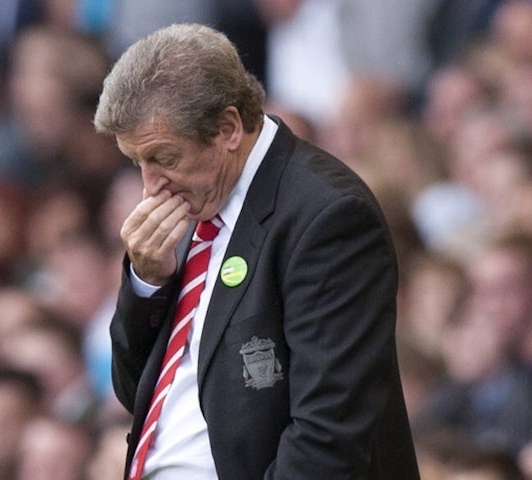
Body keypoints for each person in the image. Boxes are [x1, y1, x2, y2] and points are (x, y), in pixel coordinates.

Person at [93, 23, 419, 479]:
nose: (149, 186)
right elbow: (136, 394)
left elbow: (328, 438)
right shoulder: (194, 196)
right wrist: (148, 282)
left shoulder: (327, 215)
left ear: (228, 127)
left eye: (164, 158)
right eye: (137, 163)